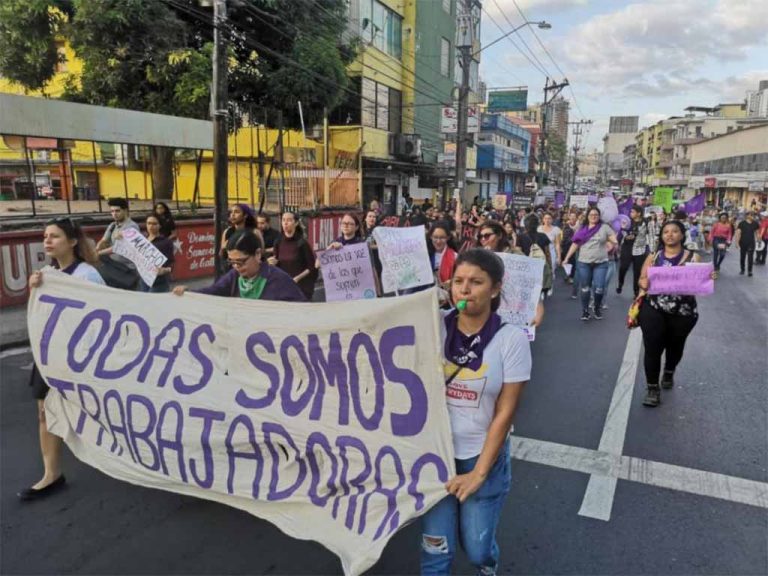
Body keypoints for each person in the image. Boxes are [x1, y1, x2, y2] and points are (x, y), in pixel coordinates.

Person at [421, 249, 530, 575]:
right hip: (435, 458)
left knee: (477, 548)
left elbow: (505, 413)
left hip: (482, 458)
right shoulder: (433, 326)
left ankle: (488, 564)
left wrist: (479, 473)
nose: (464, 290)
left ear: (495, 288)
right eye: (458, 281)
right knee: (435, 552)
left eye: (476, 282)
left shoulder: (511, 340)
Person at [19, 217, 105, 501]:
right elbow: (37, 317)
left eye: (54, 236)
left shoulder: (87, 276)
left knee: (96, 410)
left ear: (72, 242)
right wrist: (35, 290)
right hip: (48, 355)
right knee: (45, 412)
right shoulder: (46, 273)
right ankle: (51, 473)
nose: (47, 240)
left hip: (78, 359)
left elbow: (103, 316)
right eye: (45, 236)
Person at [636, 221, 714, 407]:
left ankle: (669, 370)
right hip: (654, 308)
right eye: (666, 232)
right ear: (661, 236)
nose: (670, 235)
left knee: (675, 347)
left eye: (674, 231)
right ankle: (652, 389)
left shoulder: (692, 257)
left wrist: (708, 277)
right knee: (653, 349)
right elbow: (642, 278)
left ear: (681, 235)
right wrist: (643, 283)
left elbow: (699, 282)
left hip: (682, 312)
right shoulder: (653, 257)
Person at [174, 230, 305, 301]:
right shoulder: (233, 277)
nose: (236, 267)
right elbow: (213, 292)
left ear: (258, 254)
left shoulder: (279, 280)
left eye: (241, 262)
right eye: (232, 262)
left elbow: (302, 309)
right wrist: (189, 293)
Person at [562, 207, 618, 321]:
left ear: (599, 216)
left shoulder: (605, 227)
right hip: (584, 263)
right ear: (587, 216)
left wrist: (614, 242)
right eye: (591, 214)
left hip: (601, 263)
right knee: (585, 288)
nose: (594, 216)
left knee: (599, 287)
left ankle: (597, 308)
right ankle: (585, 311)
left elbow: (613, 238)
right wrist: (566, 258)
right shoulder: (582, 228)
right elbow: (575, 244)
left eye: (596, 215)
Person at [270, 211, 318, 300]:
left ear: (295, 223)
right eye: (283, 220)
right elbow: (275, 262)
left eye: (289, 220)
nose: (285, 223)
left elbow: (311, 267)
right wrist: (271, 262)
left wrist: (297, 278)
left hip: (300, 286)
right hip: (283, 285)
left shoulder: (302, 243)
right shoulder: (278, 242)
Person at [95, 197, 141, 290]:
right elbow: (104, 240)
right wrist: (97, 248)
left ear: (125, 210)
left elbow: (117, 247)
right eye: (112, 211)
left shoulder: (132, 227)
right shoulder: (112, 225)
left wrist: (97, 253)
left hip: (127, 269)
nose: (114, 214)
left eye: (117, 211)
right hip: (113, 265)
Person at [617, 205, 649, 297]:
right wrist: (623, 231)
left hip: (640, 249)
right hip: (627, 247)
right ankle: (620, 283)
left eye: (633, 212)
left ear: (639, 213)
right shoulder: (627, 222)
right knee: (623, 267)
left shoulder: (645, 223)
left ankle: (636, 292)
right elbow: (623, 234)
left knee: (637, 272)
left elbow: (650, 234)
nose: (631, 213)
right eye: (630, 212)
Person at [141, 215, 175, 292]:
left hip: (160, 280)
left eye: (154, 224)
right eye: (149, 223)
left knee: (155, 302)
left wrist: (165, 270)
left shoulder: (166, 242)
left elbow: (171, 263)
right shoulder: (142, 240)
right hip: (144, 279)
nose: (151, 226)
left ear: (160, 226)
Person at [733, 211, 760, 276]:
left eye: (753, 215)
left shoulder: (755, 223)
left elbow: (757, 233)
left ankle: (750, 271)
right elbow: (738, 233)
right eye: (751, 215)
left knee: (750, 257)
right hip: (743, 242)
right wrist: (736, 242)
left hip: (751, 243)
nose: (753, 216)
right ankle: (742, 269)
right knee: (743, 256)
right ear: (747, 216)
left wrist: (759, 240)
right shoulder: (742, 223)